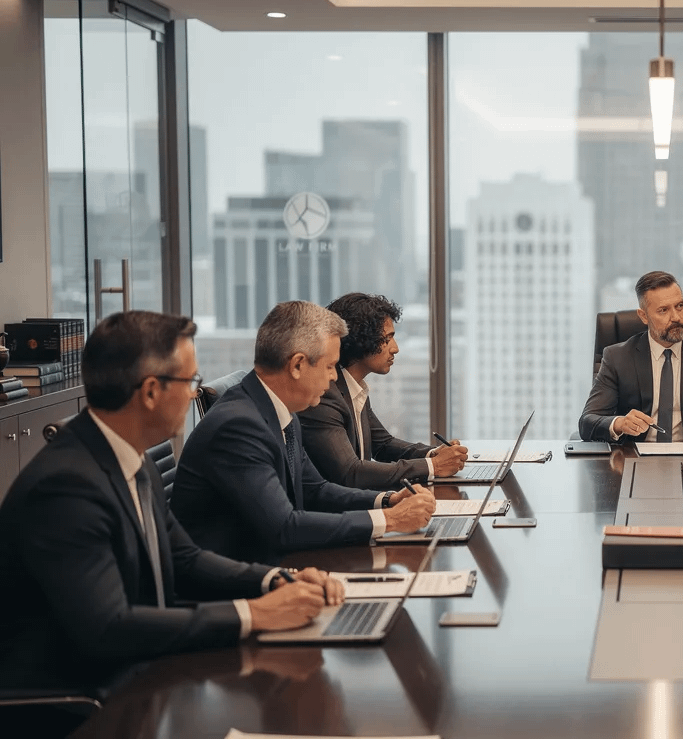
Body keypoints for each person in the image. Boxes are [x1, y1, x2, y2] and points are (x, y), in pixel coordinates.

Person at [0, 311, 341, 693]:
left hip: (143, 674)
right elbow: (108, 629)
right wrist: (253, 614)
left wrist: (275, 580)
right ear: (150, 391)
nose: (196, 392)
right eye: (190, 380)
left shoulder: (133, 457)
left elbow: (184, 558)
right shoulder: (65, 488)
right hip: (80, 702)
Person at [172, 301, 436, 563]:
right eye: (330, 366)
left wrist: (388, 500)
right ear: (297, 365)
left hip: (275, 564)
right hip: (237, 581)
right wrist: (389, 521)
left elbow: (315, 489)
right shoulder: (238, 426)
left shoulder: (282, 411)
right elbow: (283, 527)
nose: (334, 377)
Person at [298, 293, 468, 490]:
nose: (395, 349)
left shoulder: (353, 386)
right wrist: (433, 466)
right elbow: (350, 473)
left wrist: (434, 454)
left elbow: (383, 445)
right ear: (362, 339)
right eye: (388, 339)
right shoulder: (325, 394)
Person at [579, 271, 683, 444]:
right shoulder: (617, 358)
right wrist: (619, 424)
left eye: (680, 306)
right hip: (635, 458)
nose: (676, 317)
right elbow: (587, 422)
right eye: (663, 310)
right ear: (644, 316)